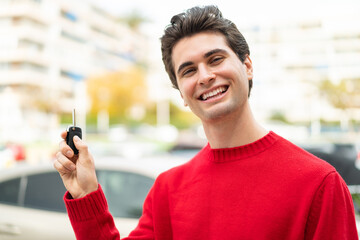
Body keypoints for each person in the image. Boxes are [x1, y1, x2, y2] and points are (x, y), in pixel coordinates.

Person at [54, 5, 358, 240]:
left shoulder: (318, 183)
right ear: (182, 94)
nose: (204, 76)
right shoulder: (168, 190)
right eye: (188, 70)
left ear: (247, 66)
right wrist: (86, 195)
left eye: (215, 59)